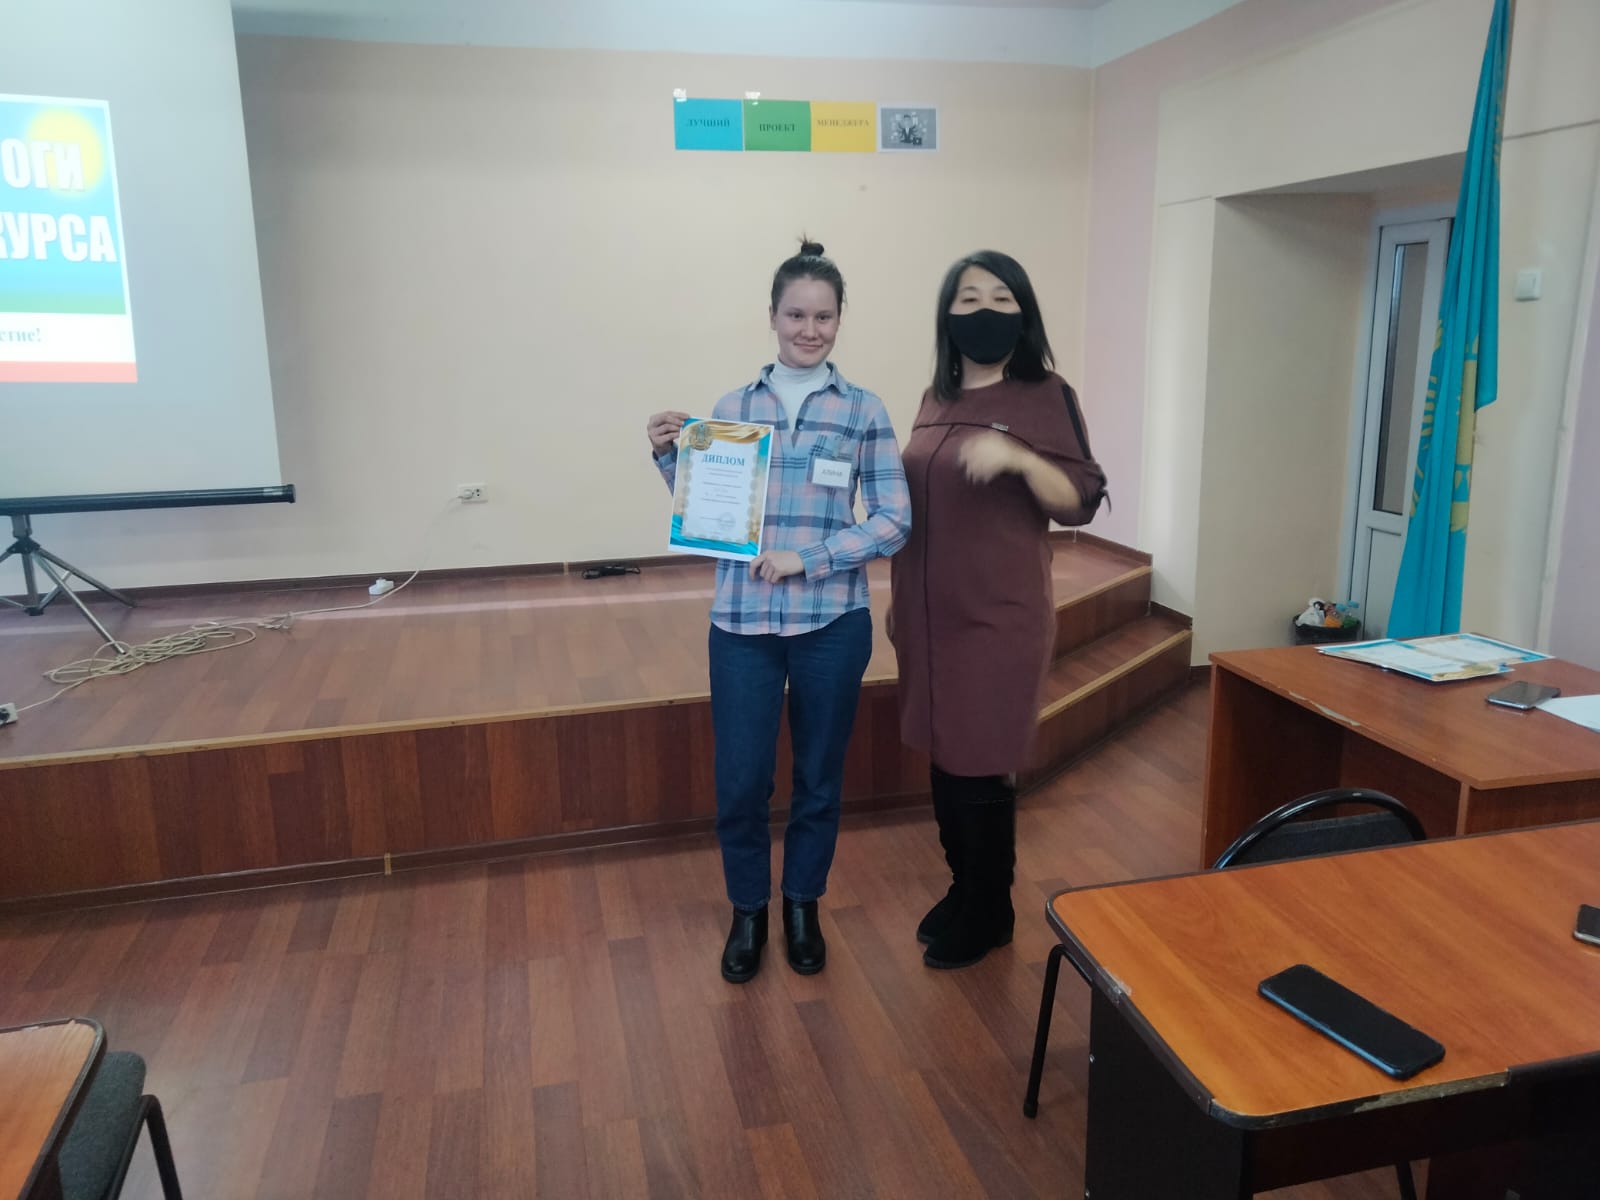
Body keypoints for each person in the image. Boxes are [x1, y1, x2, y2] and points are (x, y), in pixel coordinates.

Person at [646, 239, 911, 983]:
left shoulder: (863, 410)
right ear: (772, 316)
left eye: (824, 316)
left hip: (833, 621)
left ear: (839, 320)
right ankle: (748, 911)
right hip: (743, 624)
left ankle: (802, 906)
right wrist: (669, 456)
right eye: (796, 314)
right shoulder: (734, 408)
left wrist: (811, 557)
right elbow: (715, 518)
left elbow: (894, 519)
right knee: (741, 782)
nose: (809, 329)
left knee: (819, 779)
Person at [889, 250, 1106, 970]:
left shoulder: (1045, 394)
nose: (984, 311)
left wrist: (1020, 459)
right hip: (928, 615)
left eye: (1001, 299)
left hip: (997, 616)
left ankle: (991, 909)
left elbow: (1080, 498)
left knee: (978, 762)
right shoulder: (935, 396)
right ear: (947, 315)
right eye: (969, 298)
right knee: (946, 755)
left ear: (1024, 313)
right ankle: (965, 886)